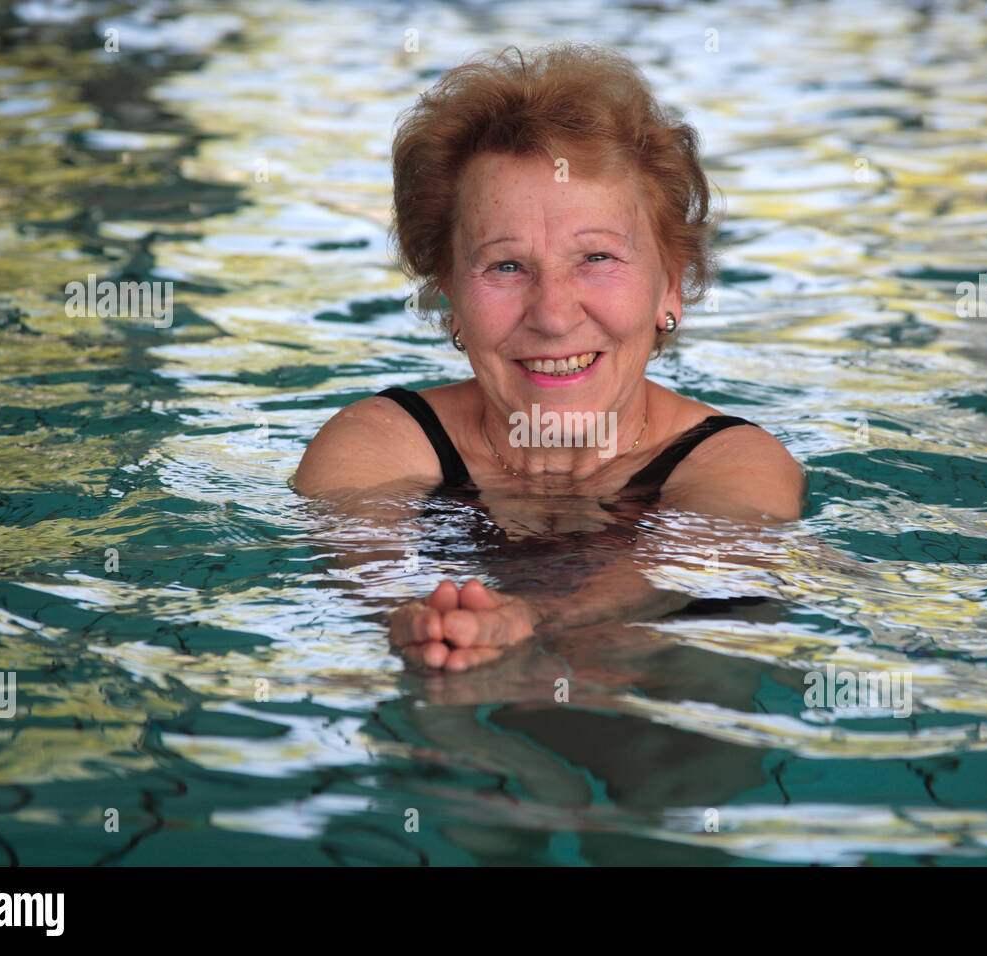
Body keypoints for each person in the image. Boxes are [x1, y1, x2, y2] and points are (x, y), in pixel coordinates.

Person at [296, 43, 806, 672]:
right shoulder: (376, 442)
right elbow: (373, 579)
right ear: (451, 294)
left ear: (670, 285)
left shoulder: (735, 459)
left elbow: (692, 564)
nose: (553, 313)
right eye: (505, 266)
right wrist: (428, 627)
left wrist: (527, 619)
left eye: (596, 258)